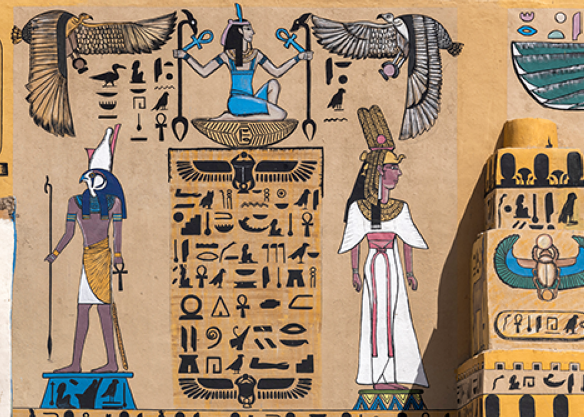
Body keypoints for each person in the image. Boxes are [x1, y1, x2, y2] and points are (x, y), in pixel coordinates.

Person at [338, 106, 428, 390]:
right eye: (393, 167)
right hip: (373, 268)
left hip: (393, 267)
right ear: (379, 171)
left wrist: (410, 272)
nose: (398, 173)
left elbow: (407, 242)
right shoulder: (359, 208)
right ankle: (377, 377)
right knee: (375, 316)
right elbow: (354, 240)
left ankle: (394, 374)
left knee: (395, 315)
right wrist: (354, 270)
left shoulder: (401, 208)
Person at [46, 126, 127, 373]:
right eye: (88, 176)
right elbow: (69, 233)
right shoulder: (76, 202)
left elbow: (117, 233)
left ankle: (112, 362)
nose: (89, 181)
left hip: (102, 258)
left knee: (103, 310)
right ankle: (76, 363)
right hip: (87, 258)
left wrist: (117, 255)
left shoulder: (114, 203)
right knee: (83, 309)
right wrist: (55, 253)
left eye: (94, 177)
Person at [173, 6, 311, 121]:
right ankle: (234, 118)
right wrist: (185, 56)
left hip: (250, 101)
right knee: (281, 115)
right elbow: (204, 72)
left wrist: (298, 57)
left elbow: (277, 72)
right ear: (240, 30)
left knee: (274, 83)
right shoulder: (228, 55)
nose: (253, 32)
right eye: (249, 29)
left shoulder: (256, 54)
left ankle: (266, 119)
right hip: (237, 102)